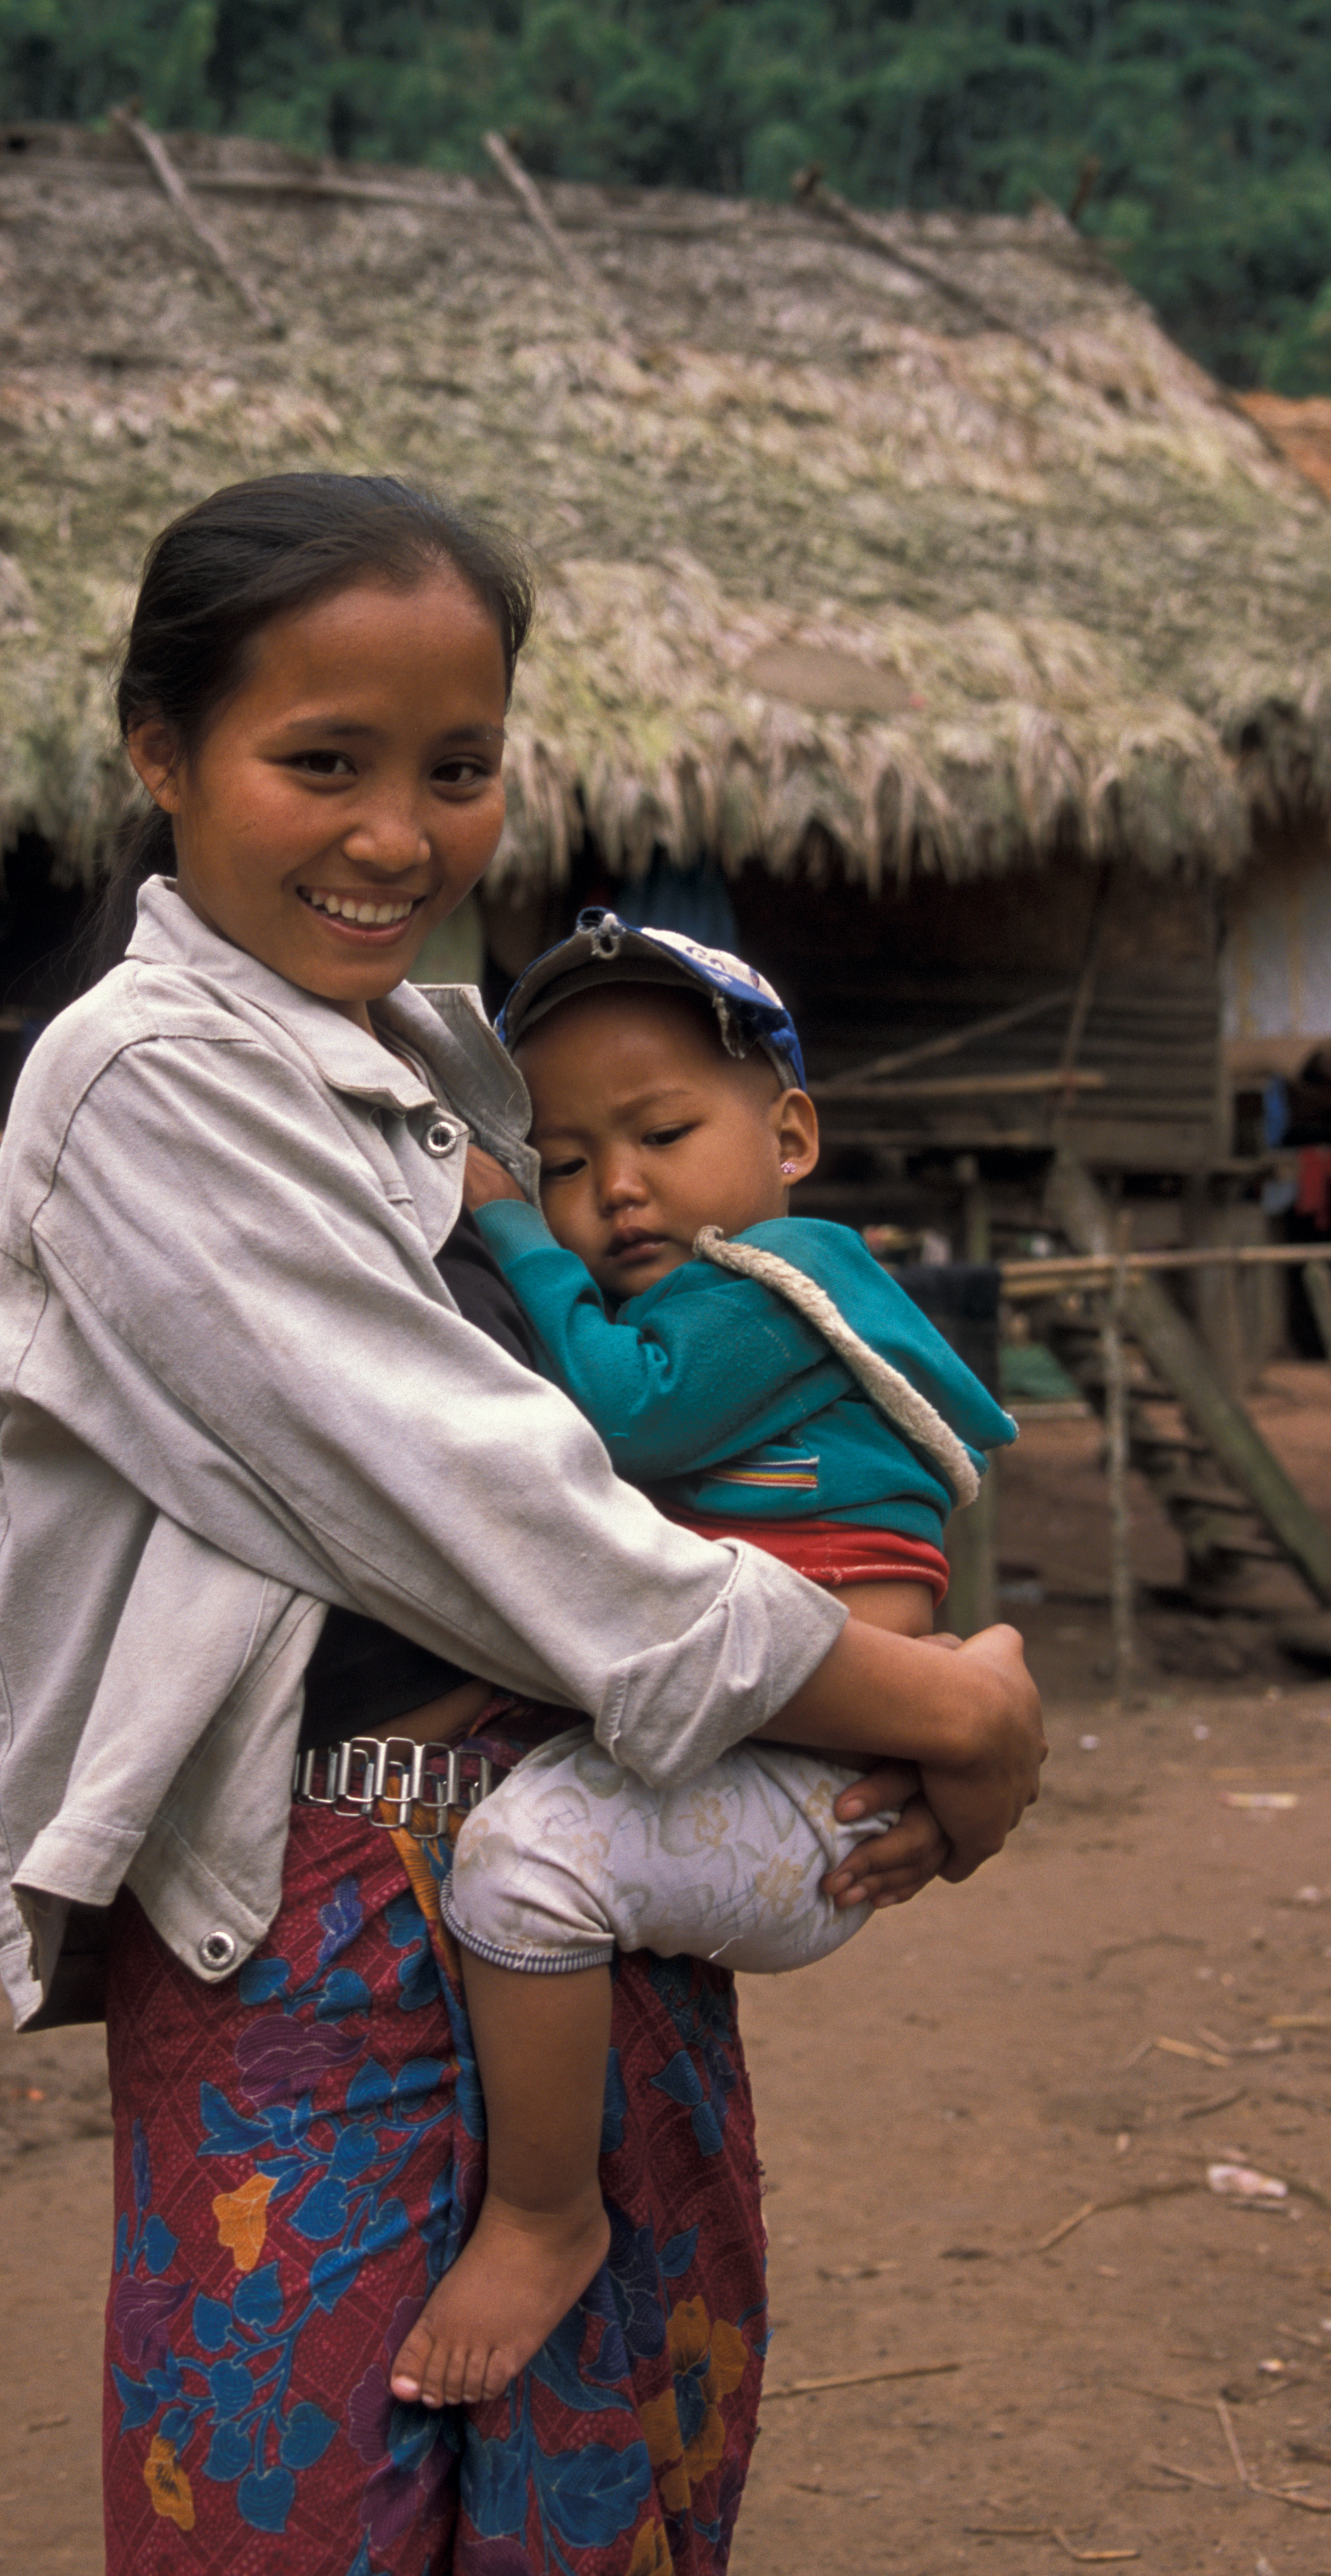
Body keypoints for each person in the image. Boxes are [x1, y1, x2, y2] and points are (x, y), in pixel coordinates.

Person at [0, 472, 1046, 2576]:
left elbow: (733, 1375)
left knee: (608, 2497)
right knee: (301, 2521)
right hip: (313, 1926)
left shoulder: (469, 1067)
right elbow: (500, 1522)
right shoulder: (146, 1089)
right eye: (319, 762)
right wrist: (955, 1710)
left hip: (585, 1879)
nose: (396, 835)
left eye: (456, 770)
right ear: (158, 752)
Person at [388, 911, 1019, 2411]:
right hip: (781, 1753)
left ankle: (545, 2213)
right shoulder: (721, 1285)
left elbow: (625, 1420)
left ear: (788, 1132)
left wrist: (512, 1230)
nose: (613, 1188)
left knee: (525, 1866)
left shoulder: (779, 1278)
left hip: (812, 1791)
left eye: (663, 1130)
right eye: (557, 1157)